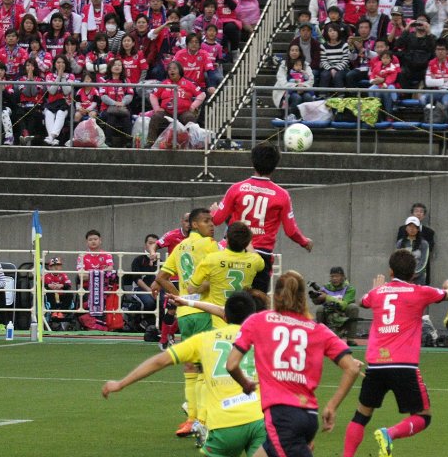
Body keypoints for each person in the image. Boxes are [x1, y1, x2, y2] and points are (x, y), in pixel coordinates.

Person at [103, 291, 284, 457]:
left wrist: (121, 384)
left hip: (226, 423)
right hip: (260, 419)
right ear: (254, 315)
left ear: (225, 316)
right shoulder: (265, 336)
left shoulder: (204, 340)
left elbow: (159, 361)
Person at [226, 271, 362, 457]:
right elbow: (352, 368)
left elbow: (231, 364)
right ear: (302, 297)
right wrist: (332, 406)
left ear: (276, 295)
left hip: (282, 417)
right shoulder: (318, 329)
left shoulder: (258, 321)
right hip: (308, 416)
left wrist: (245, 384)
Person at [334, 250, 448, 457]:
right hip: (404, 366)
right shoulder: (420, 292)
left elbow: (363, 301)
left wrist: (376, 289)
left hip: (376, 366)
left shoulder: (378, 293)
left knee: (361, 415)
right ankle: (390, 433)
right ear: (414, 273)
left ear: (391, 271)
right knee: (423, 416)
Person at [153, 207, 221, 438]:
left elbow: (161, 278)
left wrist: (180, 297)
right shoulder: (209, 245)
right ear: (194, 225)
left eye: (212, 221)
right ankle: (203, 420)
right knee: (206, 368)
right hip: (204, 310)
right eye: (206, 221)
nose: (211, 225)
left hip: (185, 314)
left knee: (190, 366)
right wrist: (198, 292)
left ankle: (191, 419)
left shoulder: (180, 247)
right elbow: (215, 276)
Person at [210, 144, 313, 294]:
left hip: (233, 251)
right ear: (275, 165)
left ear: (253, 162)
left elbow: (217, 220)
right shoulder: (282, 195)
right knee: (257, 302)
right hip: (261, 255)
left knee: (228, 299)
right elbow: (291, 231)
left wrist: (214, 211)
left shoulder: (236, 189)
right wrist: (305, 242)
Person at [310, 266, 359, 345]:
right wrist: (315, 298)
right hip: (329, 312)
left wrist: (327, 297)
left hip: (343, 313)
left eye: (337, 276)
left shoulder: (349, 289)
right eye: (332, 276)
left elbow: (344, 304)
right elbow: (317, 302)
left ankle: (350, 339)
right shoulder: (326, 288)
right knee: (320, 309)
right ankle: (320, 336)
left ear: (343, 277)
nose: (334, 278)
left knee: (353, 307)